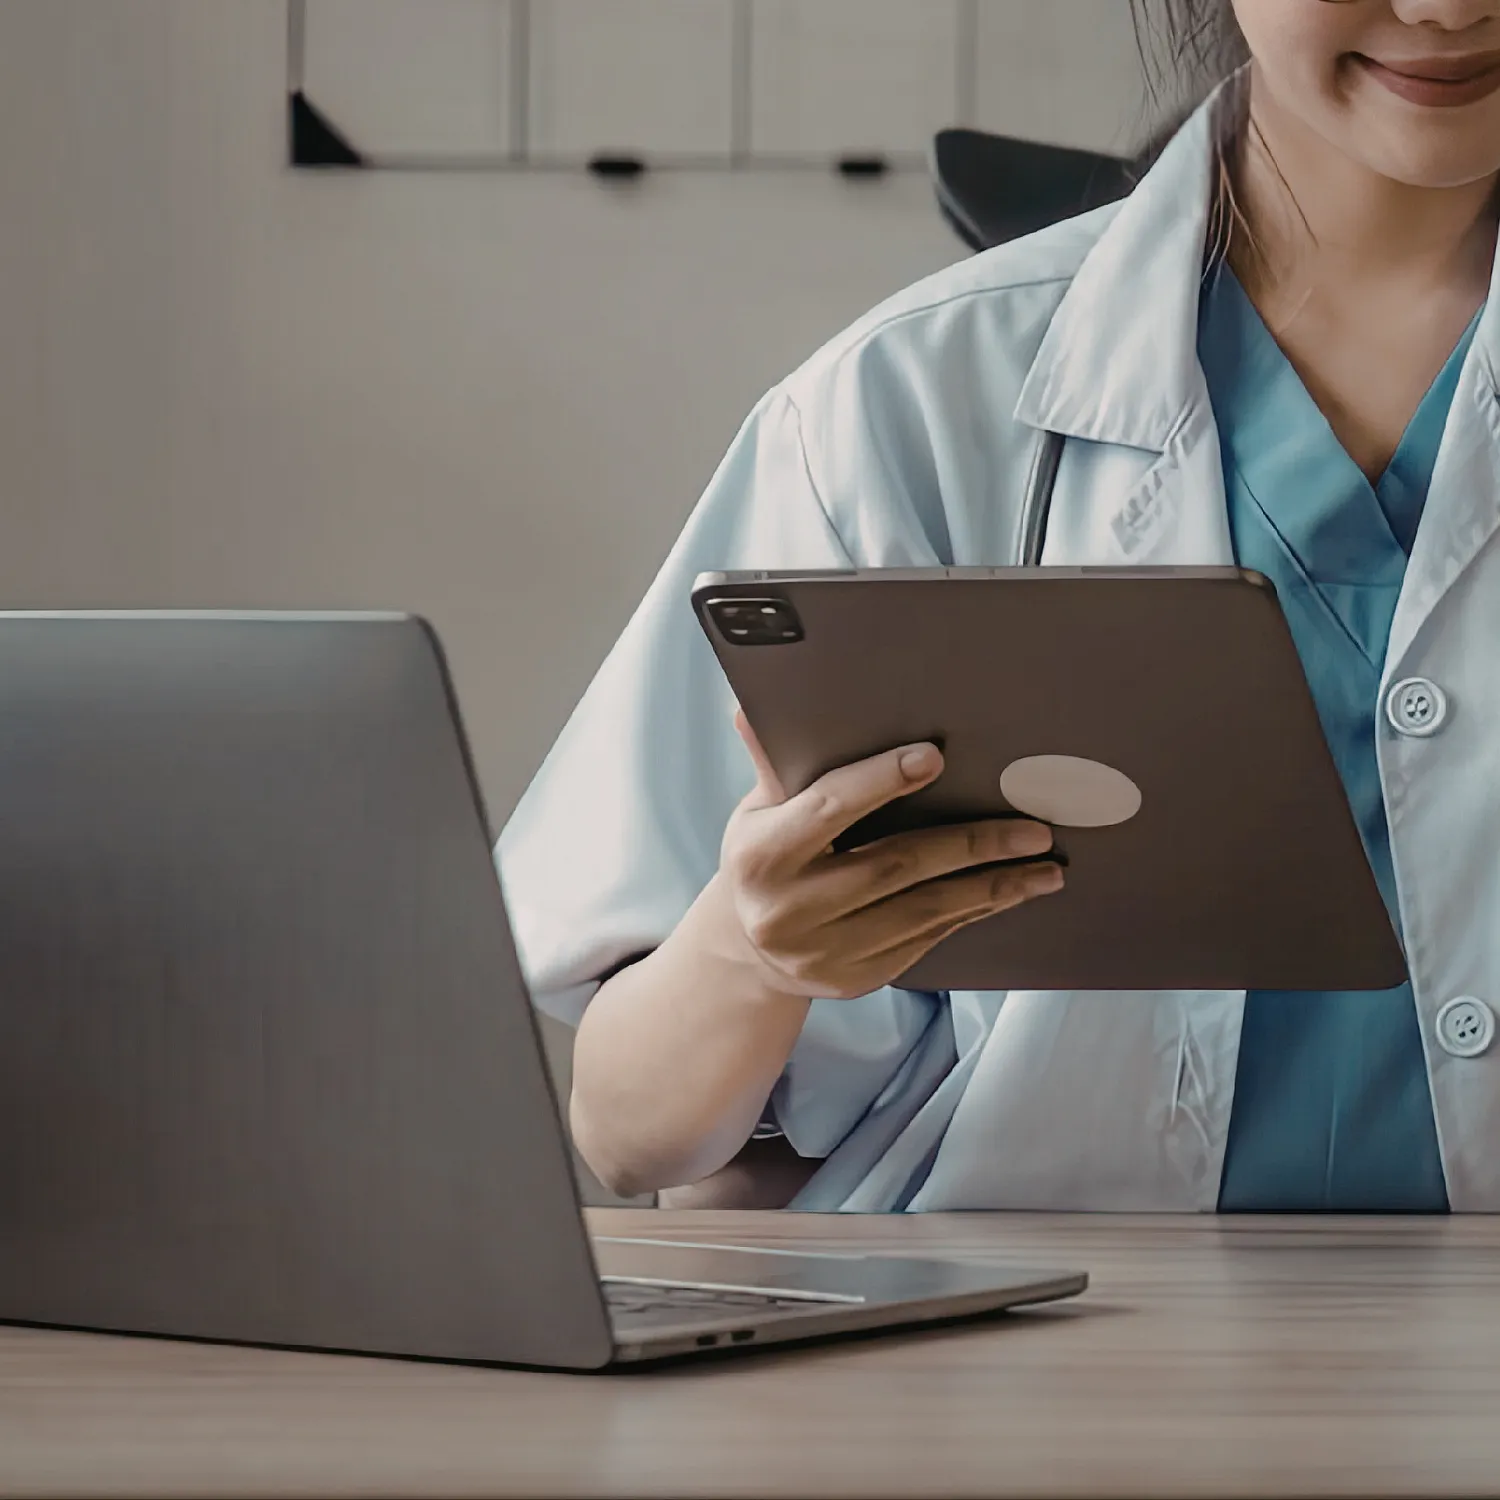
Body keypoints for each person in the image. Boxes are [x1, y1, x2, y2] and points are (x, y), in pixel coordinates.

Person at [498, 0, 1500, 1214]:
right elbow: (626, 1131)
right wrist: (753, 952)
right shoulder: (906, 402)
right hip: (1028, 1354)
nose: (1447, 5)